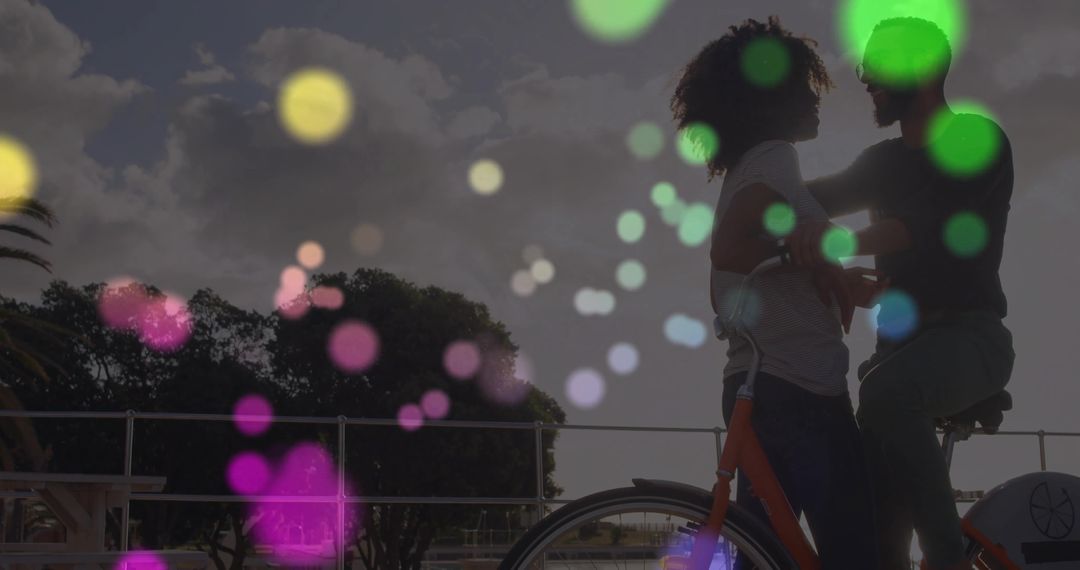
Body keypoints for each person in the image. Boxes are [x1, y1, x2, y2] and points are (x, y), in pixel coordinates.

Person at [790, 17, 1016, 570]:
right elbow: (807, 199)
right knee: (873, 530)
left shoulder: (976, 139)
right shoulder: (882, 162)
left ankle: (947, 561)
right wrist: (753, 181)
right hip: (895, 356)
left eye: (879, 64)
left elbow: (924, 227)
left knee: (888, 395)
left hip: (971, 340)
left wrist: (832, 245)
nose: (867, 77)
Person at [670, 16, 880, 568]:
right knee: (856, 552)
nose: (814, 99)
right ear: (769, 98)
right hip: (801, 388)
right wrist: (804, 247)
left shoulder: (748, 168)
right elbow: (730, 247)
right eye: (801, 87)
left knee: (761, 553)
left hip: (754, 384)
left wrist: (828, 274)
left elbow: (731, 279)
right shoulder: (775, 158)